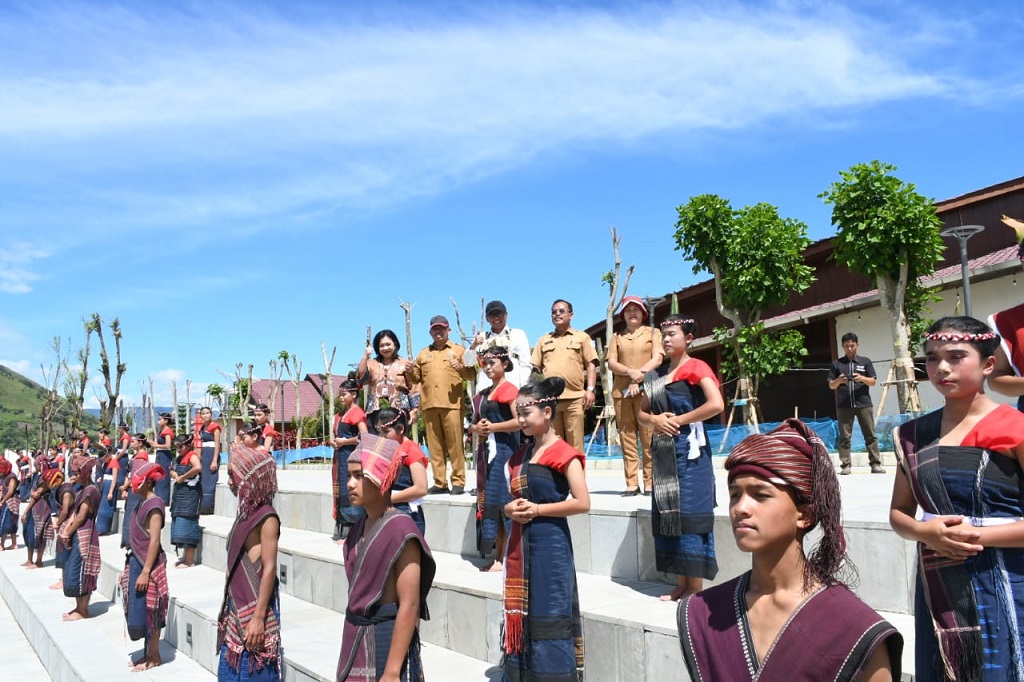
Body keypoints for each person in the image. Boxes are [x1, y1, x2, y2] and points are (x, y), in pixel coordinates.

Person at [679, 418, 902, 681]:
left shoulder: (854, 629)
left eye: (760, 495)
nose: (740, 508)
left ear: (805, 515)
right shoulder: (705, 611)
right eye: (735, 494)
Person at [890, 316, 1024, 680]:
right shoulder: (913, 434)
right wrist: (927, 534)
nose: (941, 368)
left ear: (989, 365)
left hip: (1006, 582)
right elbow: (900, 513)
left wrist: (973, 537)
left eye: (955, 356)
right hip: (939, 587)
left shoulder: (1015, 429)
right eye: (932, 358)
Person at [502, 377, 590, 681]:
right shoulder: (519, 456)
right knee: (526, 611)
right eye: (518, 413)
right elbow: (509, 501)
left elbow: (582, 502)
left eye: (526, 413)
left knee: (550, 610)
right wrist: (508, 509)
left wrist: (538, 510)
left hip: (551, 546)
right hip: (521, 544)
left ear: (548, 412)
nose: (521, 420)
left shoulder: (565, 453)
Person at [638, 314, 724, 602]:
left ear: (688, 338)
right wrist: (656, 420)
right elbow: (641, 413)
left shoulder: (697, 367)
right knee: (669, 515)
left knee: (689, 514)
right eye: (663, 334)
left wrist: (679, 421)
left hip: (690, 452)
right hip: (663, 452)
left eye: (673, 333)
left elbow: (716, 404)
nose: (666, 339)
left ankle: (695, 587)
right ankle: (681, 584)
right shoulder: (657, 375)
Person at [336, 434, 435, 682]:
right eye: (349, 475)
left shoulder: (401, 530)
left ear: (380, 477)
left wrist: (392, 671)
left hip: (385, 640)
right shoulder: (359, 527)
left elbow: (410, 604)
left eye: (359, 476)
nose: (349, 484)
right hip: (354, 636)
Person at [217, 442, 282, 681]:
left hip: (254, 611)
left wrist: (258, 617)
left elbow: (269, 568)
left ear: (247, 478)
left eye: (232, 475)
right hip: (235, 612)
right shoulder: (245, 514)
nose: (230, 481)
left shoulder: (267, 517)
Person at [406, 314, 475, 495]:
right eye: (435, 328)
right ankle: (439, 482)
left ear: (448, 330)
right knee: (435, 446)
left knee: (455, 445)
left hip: (452, 405)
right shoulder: (423, 354)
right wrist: (409, 372)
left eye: (442, 328)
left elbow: (471, 375)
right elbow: (416, 378)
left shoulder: (459, 350)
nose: (438, 331)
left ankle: (458, 481)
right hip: (429, 405)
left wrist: (461, 368)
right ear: (430, 331)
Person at [468, 346, 520, 571]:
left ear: (505, 364)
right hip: (486, 453)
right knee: (490, 502)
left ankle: (508, 557)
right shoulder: (484, 394)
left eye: (493, 363)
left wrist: (493, 427)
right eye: (485, 363)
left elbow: (521, 421)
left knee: (502, 501)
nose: (488, 367)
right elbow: (473, 425)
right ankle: (498, 555)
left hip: (506, 451)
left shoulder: (510, 390)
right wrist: (476, 428)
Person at [607, 295, 664, 496]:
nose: (632, 313)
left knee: (648, 434)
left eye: (636, 309)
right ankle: (632, 482)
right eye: (628, 310)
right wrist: (629, 372)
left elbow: (657, 358)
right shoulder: (616, 337)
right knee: (627, 435)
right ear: (623, 314)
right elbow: (612, 362)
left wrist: (639, 376)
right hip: (621, 392)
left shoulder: (652, 332)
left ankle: (650, 481)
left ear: (643, 313)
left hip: (646, 388)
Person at [530, 299, 599, 452]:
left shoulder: (582, 337)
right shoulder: (543, 340)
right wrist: (535, 395)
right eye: (554, 312)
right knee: (554, 446)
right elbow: (535, 369)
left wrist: (591, 389)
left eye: (561, 311)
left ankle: (578, 476)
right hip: (550, 401)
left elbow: (591, 364)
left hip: (575, 399)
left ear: (571, 315)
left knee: (576, 446)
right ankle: (556, 477)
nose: (557, 314)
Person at [120, 462, 170, 671]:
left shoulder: (155, 505)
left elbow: (154, 540)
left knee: (152, 610)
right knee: (140, 609)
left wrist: (146, 572)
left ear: (148, 482)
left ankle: (154, 655)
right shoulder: (141, 503)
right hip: (135, 561)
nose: (133, 484)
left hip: (148, 564)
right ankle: (146, 651)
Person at [827, 332, 884, 474]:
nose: (850, 348)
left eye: (852, 345)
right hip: (844, 405)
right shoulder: (837, 364)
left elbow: (873, 382)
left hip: (864, 404)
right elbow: (831, 386)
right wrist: (839, 380)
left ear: (857, 345)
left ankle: (875, 464)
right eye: (847, 346)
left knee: (870, 435)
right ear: (842, 347)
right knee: (844, 437)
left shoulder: (865, 362)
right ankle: (845, 465)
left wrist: (862, 378)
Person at [375, 407, 429, 535]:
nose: (382, 437)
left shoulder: (411, 450)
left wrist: (387, 499)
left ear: (400, 429)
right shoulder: (387, 449)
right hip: (386, 511)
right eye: (379, 432)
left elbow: (421, 488)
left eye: (386, 432)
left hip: (406, 514)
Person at [60, 456, 101, 621]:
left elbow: (81, 516)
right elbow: (74, 514)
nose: (75, 475)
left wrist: (68, 532)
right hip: (77, 534)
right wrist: (67, 530)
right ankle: (79, 607)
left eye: (77, 472)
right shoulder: (81, 489)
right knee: (73, 570)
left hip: (85, 535)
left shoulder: (90, 491)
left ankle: (83, 610)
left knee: (82, 572)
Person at [464, 300, 534, 388]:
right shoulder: (481, 337)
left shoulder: (518, 334)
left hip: (511, 389)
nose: (496, 317)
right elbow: (468, 362)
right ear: (487, 318)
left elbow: (526, 364)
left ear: (506, 315)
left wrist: (523, 388)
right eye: (492, 315)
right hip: (485, 390)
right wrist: (474, 345)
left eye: (499, 314)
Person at [331, 379, 368, 542]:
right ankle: (347, 532)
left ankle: (358, 533)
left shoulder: (357, 412)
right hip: (340, 459)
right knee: (341, 492)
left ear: (354, 394)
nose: (341, 397)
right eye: (339, 394)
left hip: (351, 458)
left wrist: (344, 442)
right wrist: (334, 442)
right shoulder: (340, 414)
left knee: (353, 492)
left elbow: (364, 437)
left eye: (344, 394)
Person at [357, 329, 419, 425]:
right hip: (374, 413)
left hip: (399, 411)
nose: (385, 348)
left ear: (395, 344)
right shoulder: (371, 363)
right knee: (375, 440)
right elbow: (361, 379)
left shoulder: (404, 364)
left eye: (388, 344)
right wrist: (365, 356)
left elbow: (414, 388)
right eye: (382, 345)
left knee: (397, 439)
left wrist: (414, 410)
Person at [170, 434, 202, 568]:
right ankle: (184, 557)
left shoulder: (192, 455)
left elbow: (198, 468)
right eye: (176, 446)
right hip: (179, 495)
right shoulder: (179, 457)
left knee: (188, 523)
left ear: (188, 445)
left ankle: (190, 560)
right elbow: (171, 469)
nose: (178, 449)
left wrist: (183, 477)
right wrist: (175, 475)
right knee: (180, 525)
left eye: (180, 446)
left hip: (190, 495)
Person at [21, 465, 61, 569]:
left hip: (41, 509)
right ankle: (29, 560)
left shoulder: (45, 478)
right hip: (34, 509)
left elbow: (36, 495)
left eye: (37, 464)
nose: (35, 466)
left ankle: (38, 561)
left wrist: (26, 511)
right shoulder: (38, 476)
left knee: (40, 535)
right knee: (29, 533)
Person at [120, 434, 151, 550]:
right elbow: (128, 473)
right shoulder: (135, 455)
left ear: (140, 443)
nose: (131, 443)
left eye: (133, 441)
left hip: (137, 489)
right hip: (130, 488)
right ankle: (127, 540)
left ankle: (132, 541)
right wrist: (125, 488)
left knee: (134, 514)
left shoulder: (143, 456)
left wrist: (125, 486)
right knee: (129, 514)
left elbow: (136, 473)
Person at [197, 407, 222, 514]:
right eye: (203, 413)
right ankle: (202, 506)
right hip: (204, 455)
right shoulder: (202, 427)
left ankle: (208, 507)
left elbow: (217, 444)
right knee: (202, 480)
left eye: (207, 413)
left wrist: (214, 460)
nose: (205, 415)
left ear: (211, 414)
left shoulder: (215, 426)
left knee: (210, 482)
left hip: (212, 454)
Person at [95, 446, 118, 535]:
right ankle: (100, 528)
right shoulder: (106, 463)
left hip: (110, 485)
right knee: (102, 508)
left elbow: (114, 478)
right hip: (105, 484)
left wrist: (111, 491)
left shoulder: (114, 462)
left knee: (107, 508)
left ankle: (105, 529)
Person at [153, 413, 175, 504]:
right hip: (160, 454)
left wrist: (156, 445)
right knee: (158, 476)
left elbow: (168, 445)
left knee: (164, 476)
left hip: (165, 455)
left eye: (160, 419)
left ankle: (163, 498)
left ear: (166, 420)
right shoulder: (161, 431)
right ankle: (159, 496)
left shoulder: (167, 431)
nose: (159, 421)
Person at [0, 457, 19, 551]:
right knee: (10, 523)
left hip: (11, 502)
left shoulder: (12, 477)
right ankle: (14, 544)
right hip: (5, 501)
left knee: (5, 523)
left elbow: (11, 491)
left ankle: (1, 545)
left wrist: (2, 501)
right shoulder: (4, 477)